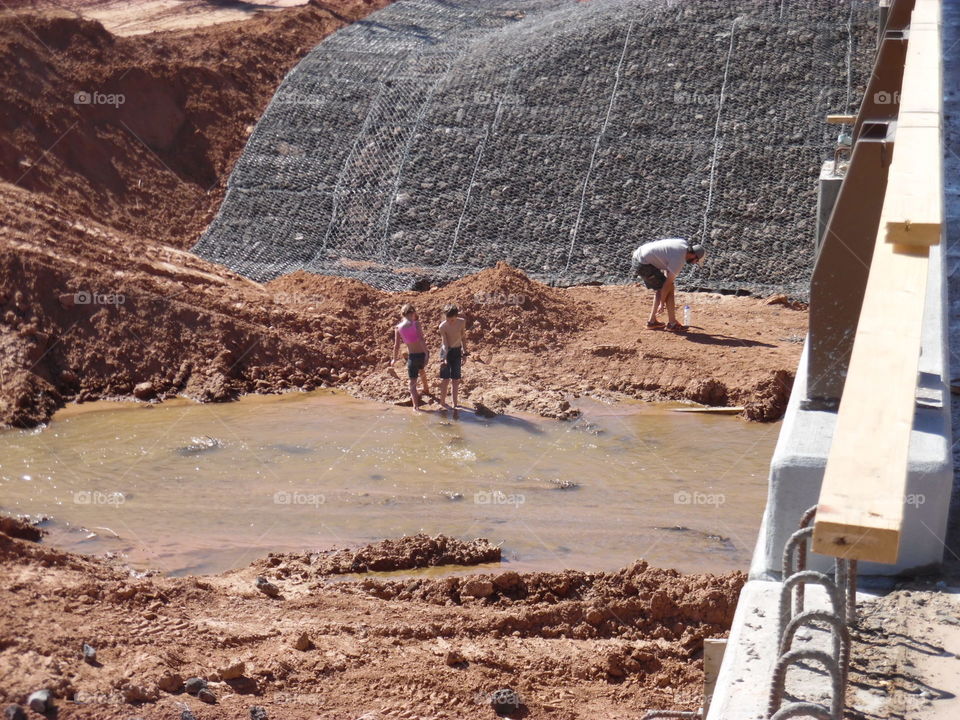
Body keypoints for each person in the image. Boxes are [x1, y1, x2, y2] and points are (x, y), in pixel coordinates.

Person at [631, 238, 705, 331]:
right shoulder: (679, 260)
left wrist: (664, 294)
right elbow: (667, 284)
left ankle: (657, 322)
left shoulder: (682, 244)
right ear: (694, 255)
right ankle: (669, 323)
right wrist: (662, 303)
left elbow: (667, 270)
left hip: (639, 255)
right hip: (643, 263)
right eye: (696, 261)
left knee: (666, 287)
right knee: (665, 288)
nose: (695, 263)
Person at [391, 304, 431, 410]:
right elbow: (421, 339)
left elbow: (397, 346)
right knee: (421, 370)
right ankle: (426, 389)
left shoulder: (398, 328)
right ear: (413, 313)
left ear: (402, 314)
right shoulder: (416, 324)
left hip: (412, 356)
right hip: (421, 354)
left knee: (412, 383)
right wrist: (426, 353)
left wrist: (394, 358)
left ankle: (415, 406)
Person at [437, 303, 468, 410]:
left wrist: (465, 352)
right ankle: (442, 402)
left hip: (457, 351)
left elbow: (463, 338)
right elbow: (444, 343)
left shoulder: (462, 322)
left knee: (455, 379)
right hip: (446, 351)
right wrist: (444, 357)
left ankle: (455, 404)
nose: (450, 322)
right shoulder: (443, 326)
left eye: (452, 320)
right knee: (445, 379)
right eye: (448, 319)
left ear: (456, 315)